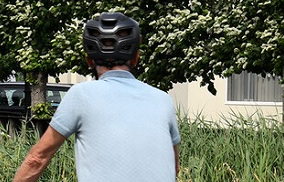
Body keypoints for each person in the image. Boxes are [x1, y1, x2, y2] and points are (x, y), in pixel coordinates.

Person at [14, 12, 181, 182]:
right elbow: (174, 168)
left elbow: (37, 159)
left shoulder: (81, 95)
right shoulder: (163, 100)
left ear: (88, 60)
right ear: (136, 58)